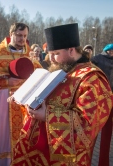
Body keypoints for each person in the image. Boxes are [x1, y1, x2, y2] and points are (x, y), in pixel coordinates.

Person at [11, 23, 113, 166]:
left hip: (64, 159)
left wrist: (47, 115)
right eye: (49, 54)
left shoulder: (92, 79)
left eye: (55, 54)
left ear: (71, 50)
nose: (50, 59)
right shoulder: (59, 71)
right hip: (35, 152)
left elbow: (86, 125)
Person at [0, 22, 42, 166]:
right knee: (3, 136)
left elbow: (39, 75)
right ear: (11, 35)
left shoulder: (29, 54)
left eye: (24, 36)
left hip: (26, 102)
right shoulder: (1, 53)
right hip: (5, 103)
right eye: (18, 35)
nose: (22, 39)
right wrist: (7, 82)